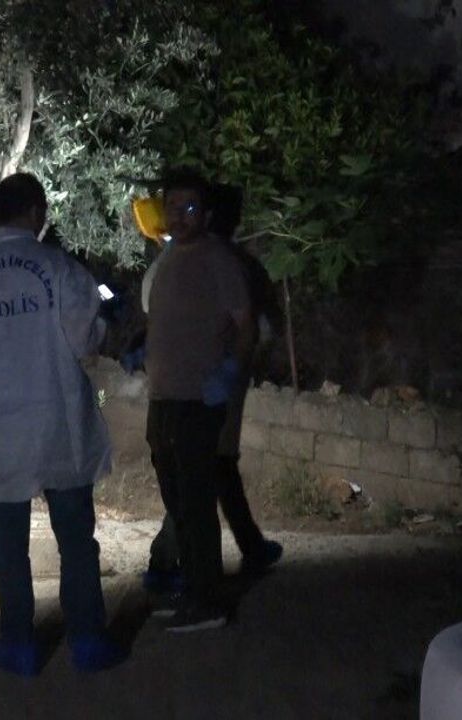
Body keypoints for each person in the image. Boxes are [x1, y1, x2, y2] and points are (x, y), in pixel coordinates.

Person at [0, 173, 126, 675]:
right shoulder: (59, 269)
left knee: (10, 544)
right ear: (37, 213)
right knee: (76, 540)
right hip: (59, 425)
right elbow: (87, 340)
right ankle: (87, 641)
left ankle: (19, 645)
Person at [140, 184, 283, 596]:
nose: (177, 215)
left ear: (206, 215)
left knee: (197, 484)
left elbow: (248, 327)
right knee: (199, 478)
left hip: (201, 392)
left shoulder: (215, 262)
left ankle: (188, 578)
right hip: (176, 393)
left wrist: (227, 371)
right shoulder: (175, 263)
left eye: (188, 207)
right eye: (171, 206)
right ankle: (204, 565)